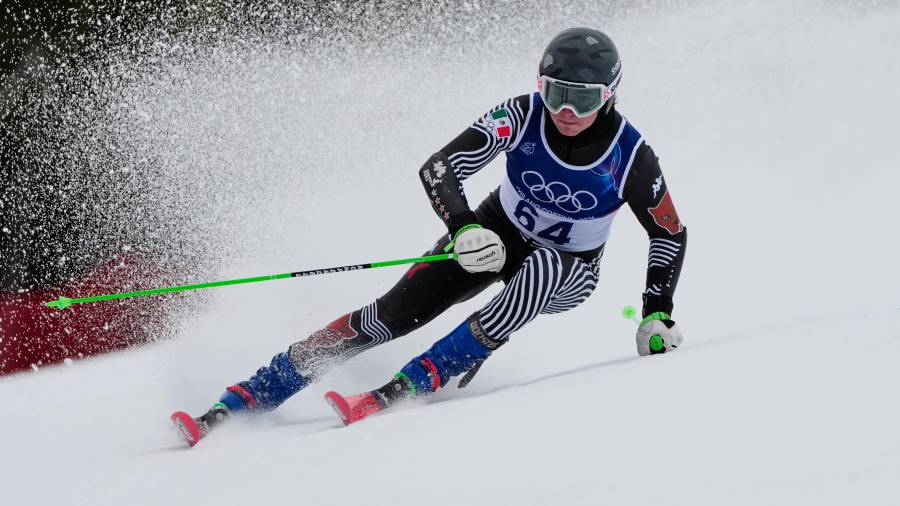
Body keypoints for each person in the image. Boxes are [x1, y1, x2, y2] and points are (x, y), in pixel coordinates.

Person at [171, 27, 688, 445]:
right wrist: (462, 227)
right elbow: (440, 167)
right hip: (493, 233)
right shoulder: (521, 114)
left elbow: (669, 232)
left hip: (571, 270)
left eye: (582, 99)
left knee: (543, 268)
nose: (566, 113)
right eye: (555, 94)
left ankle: (418, 377)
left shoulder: (631, 156)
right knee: (387, 315)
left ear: (610, 94)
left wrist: (655, 311)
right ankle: (246, 395)